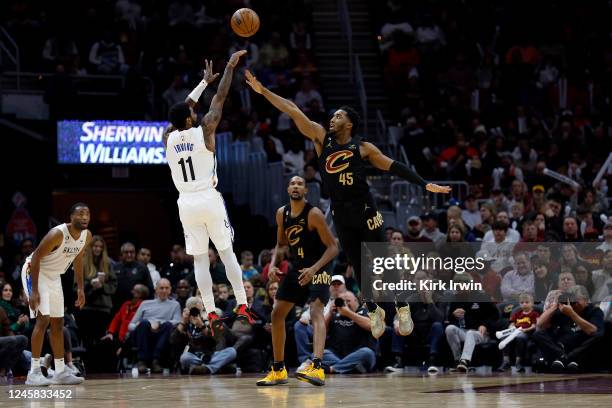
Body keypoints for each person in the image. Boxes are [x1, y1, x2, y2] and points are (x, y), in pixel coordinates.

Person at [245, 70, 450, 337]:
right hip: (341, 212)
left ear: (350, 123)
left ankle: (401, 307)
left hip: (365, 208)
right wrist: (264, 92)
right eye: (332, 116)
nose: (332, 119)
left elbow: (394, 166)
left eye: (338, 116)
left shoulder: (363, 148)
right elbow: (293, 110)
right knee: (357, 263)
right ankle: (374, 309)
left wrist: (424, 183)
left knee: (381, 260)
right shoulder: (321, 138)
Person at [164, 51, 256, 337]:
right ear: (191, 119)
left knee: (200, 260)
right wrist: (228, 68)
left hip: (185, 203)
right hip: (207, 196)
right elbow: (222, 96)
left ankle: (211, 310)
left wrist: (200, 85)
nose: (195, 111)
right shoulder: (204, 129)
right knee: (227, 253)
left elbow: (181, 110)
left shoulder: (167, 137)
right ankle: (242, 303)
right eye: (192, 112)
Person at [257, 176, 338, 387]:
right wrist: (274, 264)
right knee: (277, 314)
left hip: (319, 265)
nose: (295, 186)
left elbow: (333, 248)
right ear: (287, 189)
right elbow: (281, 244)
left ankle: (317, 367)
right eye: (292, 183)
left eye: (300, 184)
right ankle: (278, 369)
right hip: (299, 266)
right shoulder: (281, 214)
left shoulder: (314, 214)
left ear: (305, 191)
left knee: (316, 311)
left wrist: (314, 269)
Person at [21, 203, 91, 386]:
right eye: (80, 214)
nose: (84, 217)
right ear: (71, 217)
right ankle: (33, 372)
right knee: (43, 319)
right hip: (34, 271)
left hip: (53, 276)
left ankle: (60, 371)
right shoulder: (58, 234)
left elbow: (77, 258)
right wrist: (34, 291)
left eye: (87, 214)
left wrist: (80, 288)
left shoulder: (87, 236)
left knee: (58, 322)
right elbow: (35, 258)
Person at [534, 285, 604, 372]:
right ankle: (565, 358)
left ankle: (565, 359)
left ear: (586, 300)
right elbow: (540, 325)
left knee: (598, 336)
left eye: (577, 299)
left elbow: (593, 331)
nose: (574, 303)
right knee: (538, 334)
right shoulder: (564, 310)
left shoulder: (594, 311)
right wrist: (555, 305)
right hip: (561, 348)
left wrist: (572, 314)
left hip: (581, 350)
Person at [128, 279, 182, 373]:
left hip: (163, 332)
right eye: (161, 288)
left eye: (166, 288)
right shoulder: (145, 303)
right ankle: (142, 361)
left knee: (168, 324)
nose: (164, 291)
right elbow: (131, 325)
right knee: (144, 323)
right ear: (156, 289)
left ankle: (156, 361)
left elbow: (177, 321)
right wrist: (141, 324)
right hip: (145, 332)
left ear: (170, 290)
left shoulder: (175, 304)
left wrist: (158, 323)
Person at [497, 293, 539, 372]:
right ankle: (506, 361)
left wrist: (525, 330)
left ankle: (518, 362)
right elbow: (512, 323)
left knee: (520, 338)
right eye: (522, 303)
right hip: (515, 331)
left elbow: (534, 326)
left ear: (532, 303)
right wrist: (511, 327)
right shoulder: (517, 313)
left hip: (526, 332)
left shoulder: (534, 314)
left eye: (527, 302)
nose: (524, 304)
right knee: (504, 338)